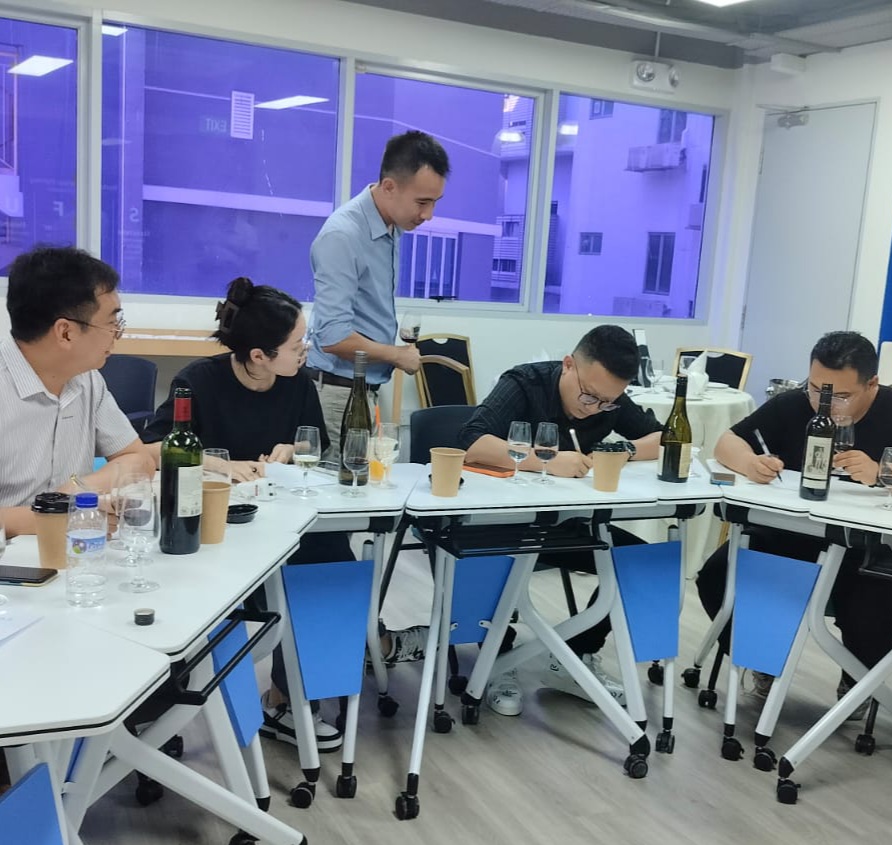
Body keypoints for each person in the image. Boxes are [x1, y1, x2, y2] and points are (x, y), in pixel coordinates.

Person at [142, 277, 352, 752]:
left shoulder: (298, 382)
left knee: (332, 560)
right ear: (259, 355)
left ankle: (288, 697)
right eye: (297, 344)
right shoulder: (198, 381)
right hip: (218, 523)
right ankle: (173, 707)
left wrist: (292, 451)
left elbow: (313, 445)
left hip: (284, 515)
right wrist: (222, 465)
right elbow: (153, 448)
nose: (306, 350)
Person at [459, 324, 664, 716]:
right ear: (569, 364)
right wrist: (547, 460)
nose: (594, 407)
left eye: (607, 402)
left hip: (566, 524)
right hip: (501, 524)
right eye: (589, 395)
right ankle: (497, 659)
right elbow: (471, 440)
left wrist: (619, 449)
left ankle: (575, 656)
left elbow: (662, 437)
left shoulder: (608, 398)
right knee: (494, 565)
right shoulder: (525, 383)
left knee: (643, 563)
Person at [696, 331, 892, 718]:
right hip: (787, 536)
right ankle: (762, 659)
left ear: (872, 383)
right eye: (816, 389)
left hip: (864, 547)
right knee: (715, 576)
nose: (825, 403)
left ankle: (858, 679)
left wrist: (885, 474)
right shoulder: (793, 405)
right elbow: (727, 442)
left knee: (876, 603)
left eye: (841, 395)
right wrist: (750, 463)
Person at [307, 130, 450, 458]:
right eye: (422, 202)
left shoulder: (391, 226)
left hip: (363, 389)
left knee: (370, 483)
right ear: (389, 187)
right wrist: (396, 355)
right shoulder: (343, 236)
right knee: (343, 488)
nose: (428, 215)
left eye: (434, 203)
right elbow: (333, 337)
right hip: (336, 392)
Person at [0, 245, 153, 538]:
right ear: (66, 332)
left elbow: (139, 460)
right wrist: (59, 515)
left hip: (78, 552)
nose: (117, 335)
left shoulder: (87, 380)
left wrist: (77, 492)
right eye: (112, 323)